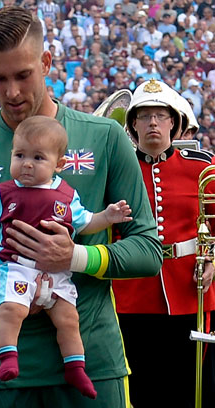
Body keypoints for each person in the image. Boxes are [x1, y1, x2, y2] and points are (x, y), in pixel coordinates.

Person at [0, 7, 161, 407]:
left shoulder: (106, 137)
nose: (11, 92)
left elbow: (148, 251)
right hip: (3, 375)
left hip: (94, 365)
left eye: (23, 75)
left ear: (46, 62)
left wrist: (76, 256)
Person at [0, 116, 135, 399]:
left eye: (38, 157)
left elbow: (84, 223)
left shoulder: (67, 195)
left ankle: (75, 367)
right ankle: (8, 357)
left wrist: (107, 217)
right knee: (11, 311)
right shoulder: (5, 192)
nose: (27, 164)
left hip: (57, 272)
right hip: (17, 268)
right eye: (19, 155)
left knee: (69, 319)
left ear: (58, 165)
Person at [112, 79, 215, 408]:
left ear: (174, 122)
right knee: (145, 387)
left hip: (190, 290)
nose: (152, 123)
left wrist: (213, 260)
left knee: (194, 386)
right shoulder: (116, 171)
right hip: (134, 293)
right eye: (144, 116)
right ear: (133, 125)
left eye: (160, 115)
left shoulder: (201, 168)